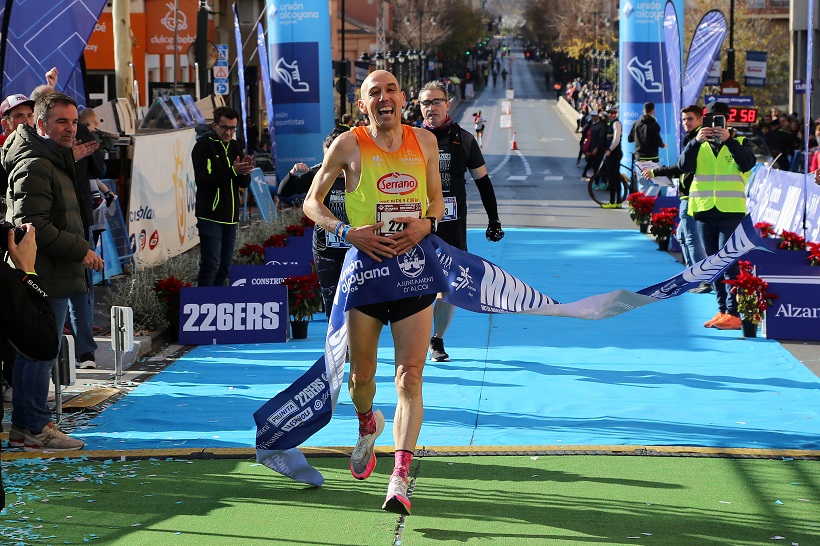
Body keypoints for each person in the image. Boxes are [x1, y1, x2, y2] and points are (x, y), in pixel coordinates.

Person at [303, 70, 443, 515]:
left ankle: (400, 475)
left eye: (390, 91)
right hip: (365, 274)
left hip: (413, 273)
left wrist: (428, 223)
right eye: (373, 94)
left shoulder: (424, 142)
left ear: (402, 98)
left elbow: (436, 201)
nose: (384, 99)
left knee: (410, 376)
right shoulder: (348, 144)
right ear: (362, 105)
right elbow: (311, 203)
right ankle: (367, 422)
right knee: (361, 379)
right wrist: (347, 232)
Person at [3, 91, 103, 451]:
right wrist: (82, 250)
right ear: (40, 124)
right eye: (62, 121)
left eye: (74, 121)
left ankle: (23, 429)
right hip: (41, 273)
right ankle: (36, 428)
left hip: (51, 272)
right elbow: (33, 226)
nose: (71, 128)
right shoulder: (36, 163)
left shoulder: (51, 158)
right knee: (40, 352)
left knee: (36, 351)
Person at [419, 81, 504, 362]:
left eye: (436, 102)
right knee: (415, 282)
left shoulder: (464, 139)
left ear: (448, 103)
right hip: (417, 223)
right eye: (425, 103)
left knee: (448, 286)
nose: (431, 108)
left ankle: (437, 340)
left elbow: (483, 181)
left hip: (452, 224)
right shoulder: (410, 137)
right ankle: (414, 338)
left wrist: (494, 220)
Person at [677, 101, 757, 330]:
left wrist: (728, 140)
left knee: (728, 259)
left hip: (730, 210)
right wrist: (695, 141)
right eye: (711, 120)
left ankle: (734, 312)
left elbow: (747, 163)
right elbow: (682, 166)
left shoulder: (740, 142)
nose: (714, 125)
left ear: (728, 122)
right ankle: (722, 309)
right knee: (712, 263)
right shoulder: (697, 144)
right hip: (703, 209)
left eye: (719, 120)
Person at [1, 224, 60, 507]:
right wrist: (27, 270)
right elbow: (45, 343)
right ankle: (33, 427)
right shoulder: (5, 278)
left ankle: (26, 427)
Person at [641, 104, 711, 294]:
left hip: (694, 195)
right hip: (687, 194)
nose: (685, 123)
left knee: (691, 238)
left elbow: (682, 167)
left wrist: (657, 171)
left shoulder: (699, 140)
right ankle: (692, 276)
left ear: (699, 120)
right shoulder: (692, 139)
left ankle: (700, 279)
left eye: (689, 119)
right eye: (683, 119)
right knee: (683, 235)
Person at [192, 106, 254, 287]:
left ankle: (218, 305)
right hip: (210, 215)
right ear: (214, 126)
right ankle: (204, 304)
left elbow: (243, 183)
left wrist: (245, 171)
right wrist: (233, 171)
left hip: (231, 216)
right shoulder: (203, 146)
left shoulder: (235, 145)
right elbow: (204, 181)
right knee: (211, 266)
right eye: (224, 127)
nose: (229, 132)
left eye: (233, 128)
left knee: (225, 268)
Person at [601, 106, 624, 208]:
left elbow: (616, 139)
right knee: (615, 177)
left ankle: (613, 201)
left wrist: (610, 149)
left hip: (614, 153)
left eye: (613, 113)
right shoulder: (610, 123)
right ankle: (617, 201)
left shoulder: (616, 123)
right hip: (612, 152)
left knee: (613, 178)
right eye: (609, 113)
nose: (611, 115)